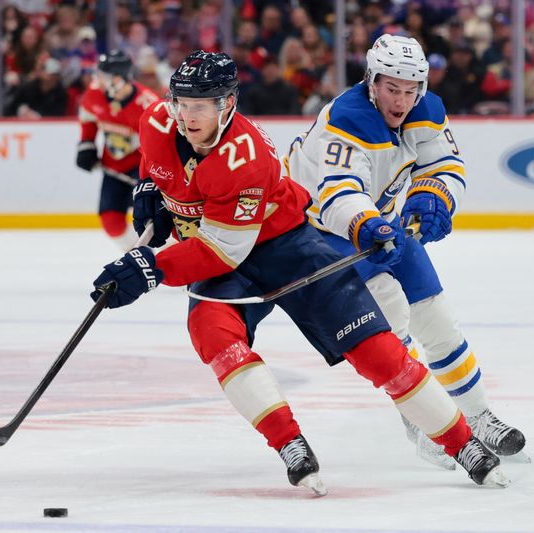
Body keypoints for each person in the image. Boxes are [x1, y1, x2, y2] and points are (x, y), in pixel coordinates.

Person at [89, 50, 510, 494]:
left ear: (227, 104)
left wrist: (151, 267)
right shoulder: (157, 119)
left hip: (285, 244)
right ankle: (289, 442)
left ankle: (462, 443)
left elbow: (221, 251)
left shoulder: (245, 157)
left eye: (200, 106)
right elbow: (158, 165)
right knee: (213, 335)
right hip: (221, 247)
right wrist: (150, 187)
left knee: (376, 349)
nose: (186, 116)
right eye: (181, 103)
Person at [284, 34, 527, 469]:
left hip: (382, 219)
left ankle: (477, 414)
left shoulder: (427, 110)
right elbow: (338, 191)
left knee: (436, 317)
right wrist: (367, 224)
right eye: (391, 88)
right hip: (324, 230)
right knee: (392, 314)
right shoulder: (347, 116)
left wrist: (435, 195)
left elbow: (445, 165)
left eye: (410, 89)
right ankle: (422, 418)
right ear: (371, 82)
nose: (401, 100)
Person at [76, 49, 159, 250]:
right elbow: (88, 117)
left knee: (154, 220)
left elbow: (162, 143)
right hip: (113, 167)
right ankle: (139, 257)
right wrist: (86, 143)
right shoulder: (95, 94)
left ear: (120, 78)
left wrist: (153, 173)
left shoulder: (148, 105)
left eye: (105, 76)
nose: (99, 80)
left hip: (143, 170)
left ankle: (172, 258)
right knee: (111, 222)